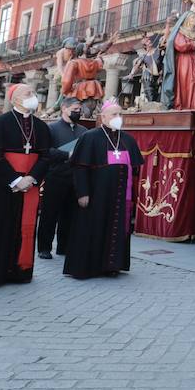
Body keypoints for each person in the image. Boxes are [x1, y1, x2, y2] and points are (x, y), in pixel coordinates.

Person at [0, 84, 52, 287]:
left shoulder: (40, 126)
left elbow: (46, 156)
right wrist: (15, 180)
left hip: (29, 184)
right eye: (28, 93)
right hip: (3, 184)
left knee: (24, 228)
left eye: (33, 93)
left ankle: (19, 271)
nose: (33, 96)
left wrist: (31, 178)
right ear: (15, 99)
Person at [66, 100, 144, 279]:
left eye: (120, 114)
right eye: (114, 114)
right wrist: (82, 192)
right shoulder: (90, 137)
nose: (118, 118)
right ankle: (89, 267)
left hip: (119, 196)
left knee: (116, 228)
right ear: (103, 117)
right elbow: (80, 167)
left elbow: (136, 169)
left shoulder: (128, 140)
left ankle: (112, 265)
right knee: (93, 228)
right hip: (96, 195)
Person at [38, 96, 84, 259]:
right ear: (64, 108)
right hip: (55, 176)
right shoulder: (51, 128)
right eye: (75, 110)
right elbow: (45, 151)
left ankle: (64, 246)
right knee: (49, 214)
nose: (78, 112)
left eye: (79, 110)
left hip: (75, 178)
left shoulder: (83, 131)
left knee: (70, 215)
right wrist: (68, 154)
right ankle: (44, 247)